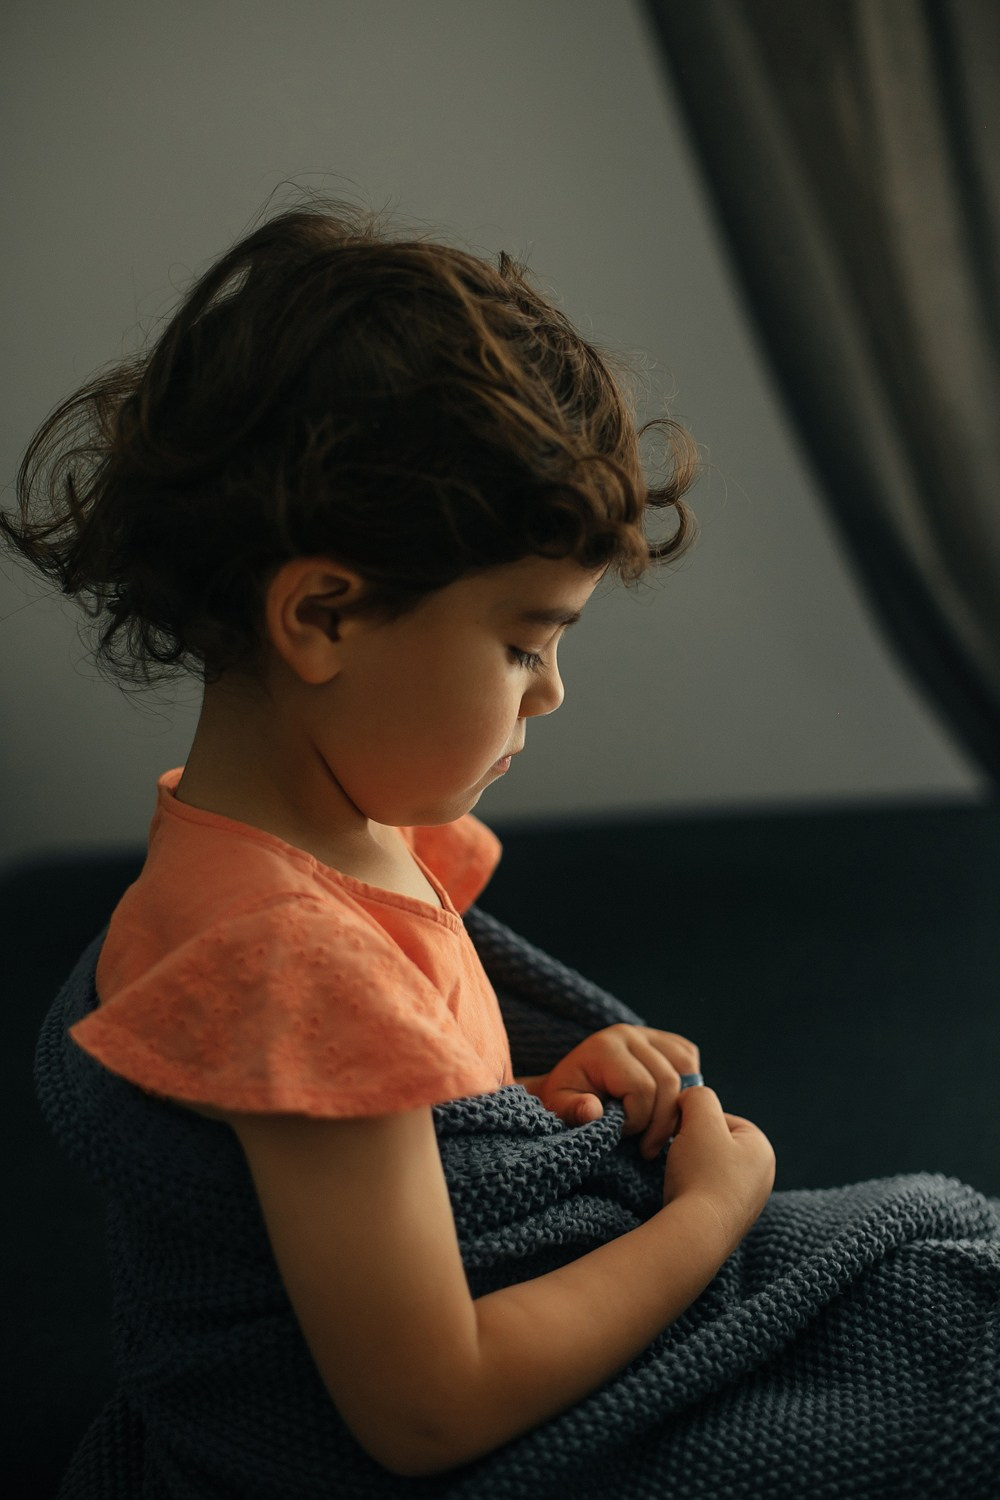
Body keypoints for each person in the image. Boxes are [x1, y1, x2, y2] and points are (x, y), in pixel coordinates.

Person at [5, 194, 778, 1482]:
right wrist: (710, 1214)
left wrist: (535, 1110)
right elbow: (427, 1407)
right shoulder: (288, 964)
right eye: (525, 640)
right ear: (323, 616)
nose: (549, 691)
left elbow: (387, 1161)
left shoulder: (307, 844)